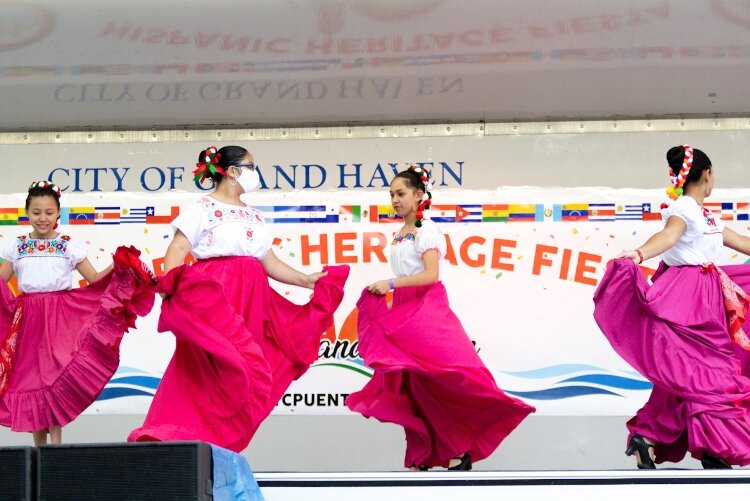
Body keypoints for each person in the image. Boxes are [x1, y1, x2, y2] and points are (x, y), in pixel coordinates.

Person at [128, 145, 349, 452]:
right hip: (216, 296)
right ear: (232, 172)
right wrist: (173, 284)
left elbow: (268, 262)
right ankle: (172, 433)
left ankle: (219, 440)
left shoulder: (253, 215)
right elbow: (178, 250)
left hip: (253, 298)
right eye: (250, 166)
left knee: (248, 367)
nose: (255, 172)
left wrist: (306, 280)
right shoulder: (201, 208)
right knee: (207, 366)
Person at [346, 166, 535, 471]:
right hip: (404, 309)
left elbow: (430, 275)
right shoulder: (402, 232)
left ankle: (455, 449)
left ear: (419, 195)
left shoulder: (427, 229)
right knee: (413, 385)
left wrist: (391, 284)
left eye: (401, 193)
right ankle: (428, 453)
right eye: (392, 194)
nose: (395, 199)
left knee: (439, 379)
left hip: (424, 308)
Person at [594, 144, 750, 469]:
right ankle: (714, 448)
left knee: (688, 376)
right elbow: (669, 235)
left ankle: (647, 437)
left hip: (707, 299)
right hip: (689, 299)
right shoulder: (684, 209)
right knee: (710, 373)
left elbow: (744, 244)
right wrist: (638, 255)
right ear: (707, 176)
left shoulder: (706, 216)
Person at [0, 180, 156, 445]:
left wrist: (117, 264)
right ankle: (38, 452)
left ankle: (56, 449)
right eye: (36, 212)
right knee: (31, 380)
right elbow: (1, 282)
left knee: (54, 377)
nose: (42, 218)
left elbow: (94, 279)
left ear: (57, 213)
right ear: (26, 213)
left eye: (49, 212)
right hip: (28, 319)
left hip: (60, 317)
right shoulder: (16, 246)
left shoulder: (68, 246)